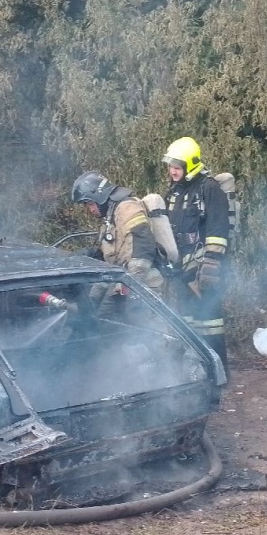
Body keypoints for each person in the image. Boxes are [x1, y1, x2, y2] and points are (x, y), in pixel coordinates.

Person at [163, 137, 231, 367]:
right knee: (185, 320)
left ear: (190, 164)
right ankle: (193, 370)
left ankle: (218, 370)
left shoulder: (209, 189)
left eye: (177, 166)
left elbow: (218, 227)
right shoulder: (175, 192)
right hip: (181, 267)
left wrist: (212, 261)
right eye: (171, 166)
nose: (173, 171)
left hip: (203, 270)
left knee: (209, 322)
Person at [71, 171, 165, 297]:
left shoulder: (127, 207)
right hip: (124, 281)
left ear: (99, 195)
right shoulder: (111, 217)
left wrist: (133, 284)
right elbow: (109, 257)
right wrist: (83, 258)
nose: (91, 210)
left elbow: (143, 244)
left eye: (91, 204)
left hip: (144, 286)